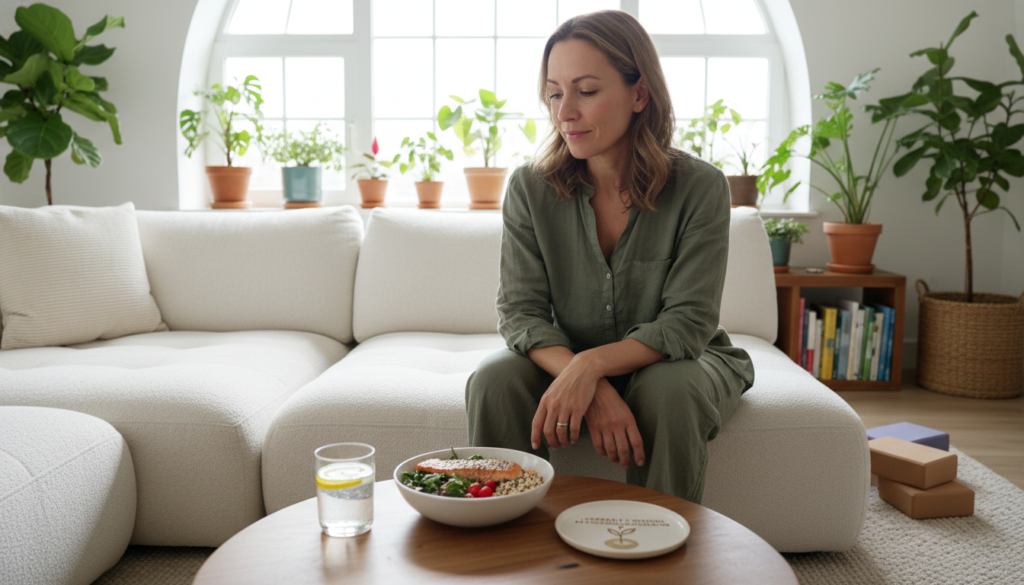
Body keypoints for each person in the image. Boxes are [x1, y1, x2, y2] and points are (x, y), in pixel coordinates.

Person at [465, 10, 755, 504]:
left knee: (671, 388)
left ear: (639, 94)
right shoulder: (529, 188)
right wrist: (588, 377)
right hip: (567, 357)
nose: (565, 112)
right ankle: (504, 551)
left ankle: (662, 558)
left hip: (679, 362)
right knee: (494, 379)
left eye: (587, 90)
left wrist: (589, 367)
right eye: (555, 93)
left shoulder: (700, 187)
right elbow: (521, 314)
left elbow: (688, 322)